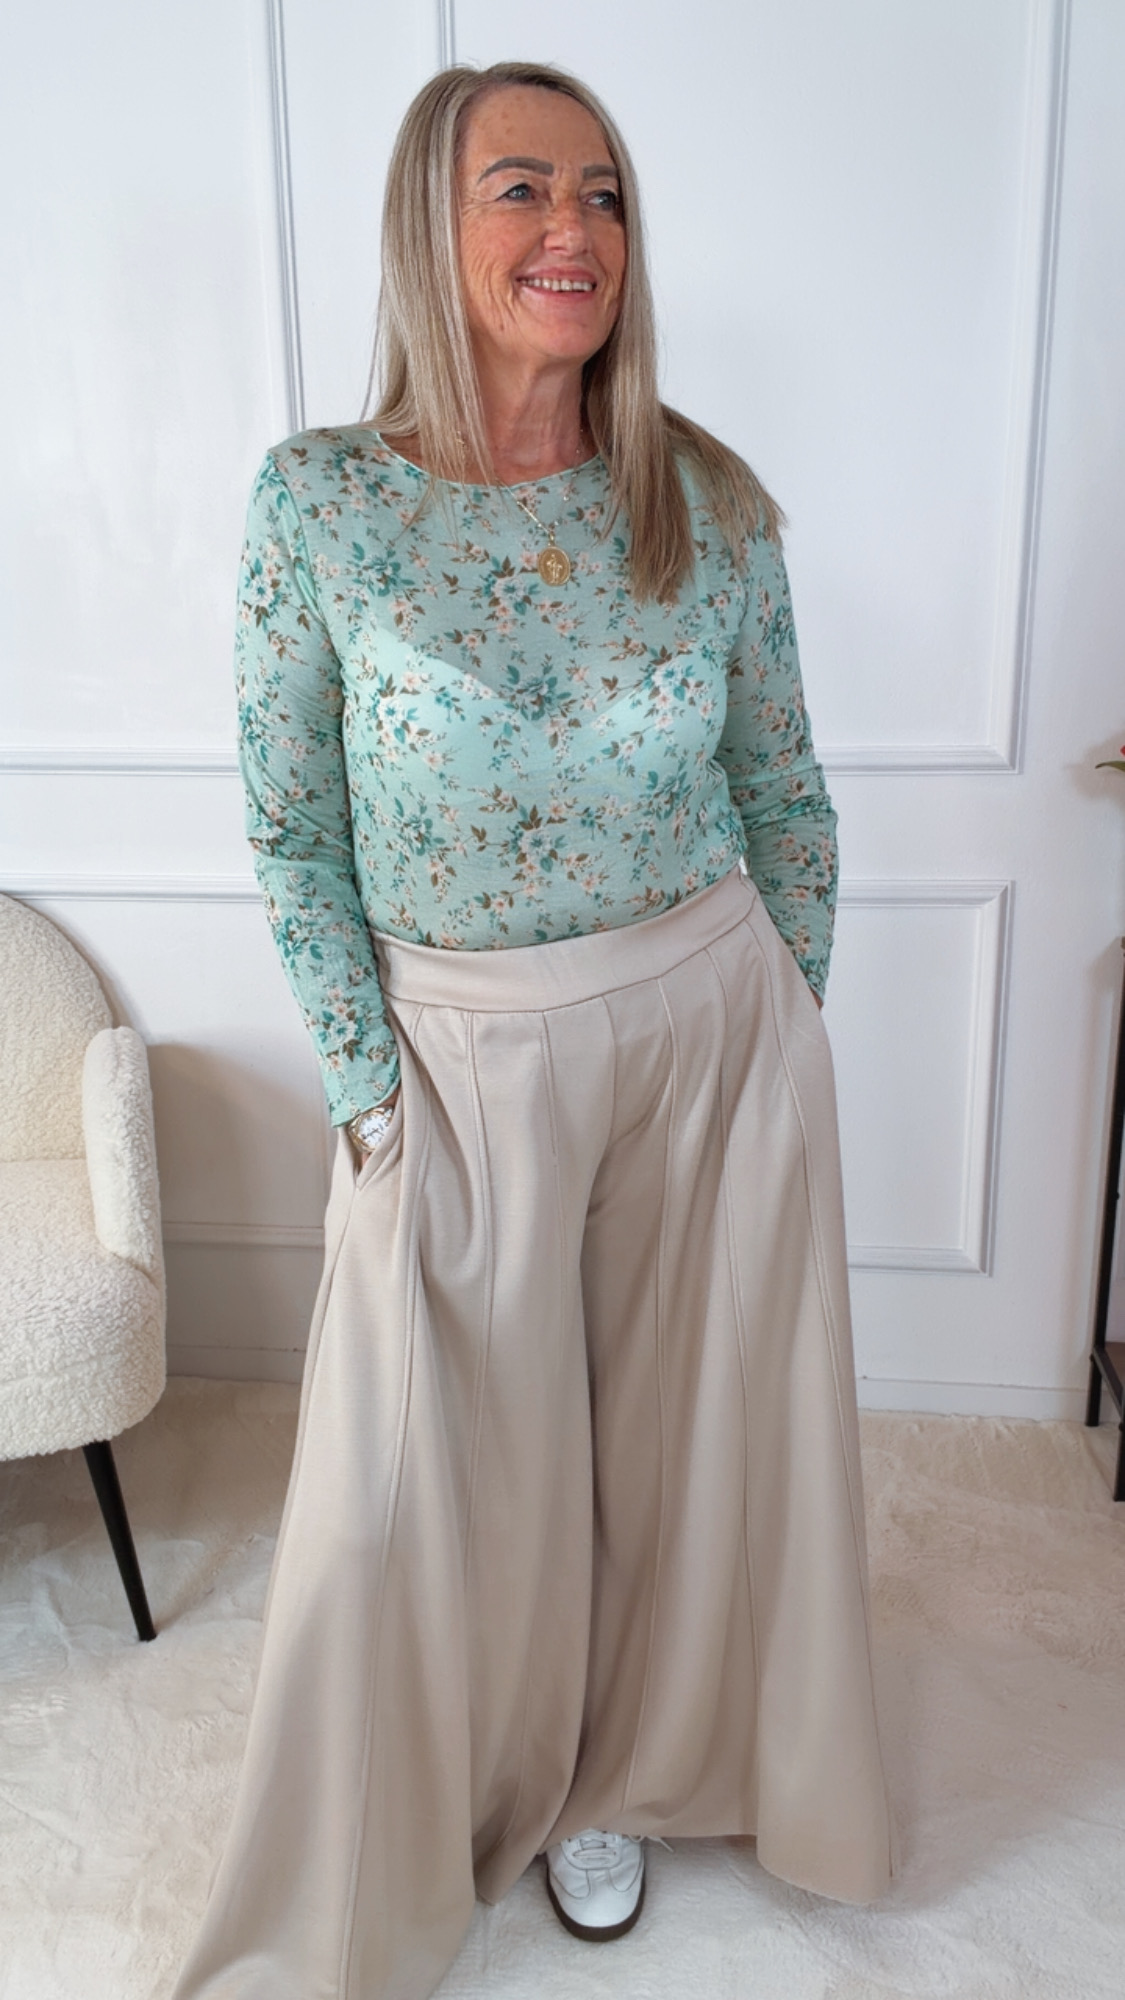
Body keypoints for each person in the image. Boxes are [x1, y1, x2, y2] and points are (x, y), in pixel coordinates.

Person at [172, 58, 892, 2000]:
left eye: (603, 194)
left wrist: (786, 1023)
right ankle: (443, 1786)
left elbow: (783, 786)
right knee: (424, 1477)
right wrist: (361, 1085)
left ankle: (619, 1774)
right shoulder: (320, 502)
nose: (573, 230)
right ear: (432, 222)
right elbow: (291, 828)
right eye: (520, 188)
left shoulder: (704, 496)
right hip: (455, 1052)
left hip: (706, 1032)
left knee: (671, 1449)